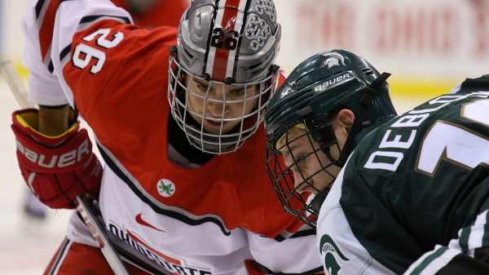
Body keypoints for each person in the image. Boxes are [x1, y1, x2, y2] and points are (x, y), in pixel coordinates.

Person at [14, 0, 323, 273]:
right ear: (178, 70)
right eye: (203, 86)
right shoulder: (125, 73)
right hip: (105, 244)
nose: (217, 107)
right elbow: (51, 11)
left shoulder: (293, 154)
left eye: (238, 91)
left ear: (266, 86)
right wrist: (54, 130)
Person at [264, 49, 489, 274]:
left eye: (300, 158)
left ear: (344, 124)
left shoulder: (346, 199)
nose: (298, 184)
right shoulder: (464, 93)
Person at [20, 0, 189, 222]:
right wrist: (53, 118)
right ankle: (35, 195)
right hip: (96, 88)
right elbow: (49, 17)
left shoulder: (177, 13)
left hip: (138, 105)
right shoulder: (100, 5)